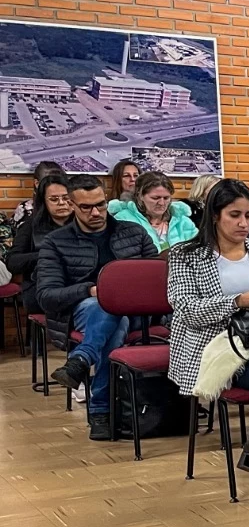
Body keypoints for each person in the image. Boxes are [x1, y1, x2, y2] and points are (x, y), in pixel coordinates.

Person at [167, 179, 249, 507]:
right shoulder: (186, 255)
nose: (243, 224)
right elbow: (186, 310)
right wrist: (238, 301)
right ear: (214, 215)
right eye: (234, 215)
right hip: (214, 348)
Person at [37, 176, 159, 439]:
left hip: (138, 311)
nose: (96, 212)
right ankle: (102, 407)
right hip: (86, 310)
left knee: (114, 315)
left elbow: (158, 276)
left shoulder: (133, 232)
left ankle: (83, 365)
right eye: (86, 207)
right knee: (106, 308)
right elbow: (47, 295)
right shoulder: (56, 241)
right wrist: (90, 289)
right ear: (71, 204)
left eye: (101, 205)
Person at [6, 165, 74, 315]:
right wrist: (47, 254)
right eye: (54, 199)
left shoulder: (82, 224)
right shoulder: (31, 225)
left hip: (77, 284)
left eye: (66, 198)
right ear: (44, 202)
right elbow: (13, 261)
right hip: (39, 287)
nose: (62, 203)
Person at [114, 171, 197, 253]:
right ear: (140, 196)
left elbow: (198, 251)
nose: (161, 203)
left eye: (166, 198)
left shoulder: (182, 221)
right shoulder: (124, 220)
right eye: (155, 198)